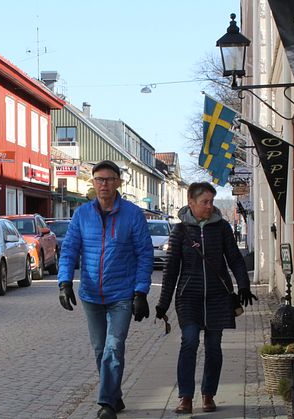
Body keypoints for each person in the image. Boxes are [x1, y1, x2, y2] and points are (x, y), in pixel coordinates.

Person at [57, 160, 154, 419]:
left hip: (121, 294)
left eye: (109, 179)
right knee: (100, 349)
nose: (104, 184)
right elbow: (69, 250)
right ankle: (114, 395)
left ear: (119, 183)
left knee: (113, 346)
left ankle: (106, 404)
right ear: (93, 182)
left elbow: (144, 255)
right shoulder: (82, 214)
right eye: (99, 179)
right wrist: (64, 282)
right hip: (90, 294)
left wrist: (140, 292)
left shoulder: (132, 215)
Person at [155, 182, 257, 414]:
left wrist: (243, 285)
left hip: (217, 297)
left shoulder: (221, 228)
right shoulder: (180, 231)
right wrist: (163, 303)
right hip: (188, 297)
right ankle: (186, 397)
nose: (210, 206)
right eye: (205, 202)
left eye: (212, 201)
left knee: (213, 347)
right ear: (191, 203)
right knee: (189, 342)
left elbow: (234, 258)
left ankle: (208, 394)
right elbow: (171, 270)